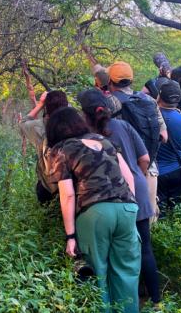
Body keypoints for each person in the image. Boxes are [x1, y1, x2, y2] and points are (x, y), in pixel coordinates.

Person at [46, 107, 141, 313]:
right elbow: (130, 177)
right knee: (127, 271)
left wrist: (70, 236)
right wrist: (131, 207)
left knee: (97, 274)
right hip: (127, 208)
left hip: (95, 212)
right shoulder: (104, 141)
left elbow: (68, 195)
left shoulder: (61, 149)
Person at [78, 89, 162, 310]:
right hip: (136, 191)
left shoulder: (83, 136)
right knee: (144, 249)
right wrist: (137, 175)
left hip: (104, 199)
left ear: (83, 113)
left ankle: (111, 303)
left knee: (107, 257)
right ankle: (155, 302)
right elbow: (144, 158)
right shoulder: (123, 126)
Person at [105, 61, 168, 226]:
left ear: (109, 81)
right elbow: (164, 136)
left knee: (124, 226)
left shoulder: (107, 103)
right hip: (149, 168)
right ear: (131, 81)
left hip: (120, 172)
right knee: (147, 224)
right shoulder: (149, 100)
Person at [20, 91, 68, 205]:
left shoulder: (38, 126)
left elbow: (23, 122)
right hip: (72, 183)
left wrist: (40, 104)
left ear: (47, 109)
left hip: (47, 184)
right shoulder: (76, 124)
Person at [155, 80, 181, 214]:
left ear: (159, 97)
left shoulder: (149, 118)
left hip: (156, 174)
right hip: (178, 171)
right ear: (178, 99)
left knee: (158, 213)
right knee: (176, 213)